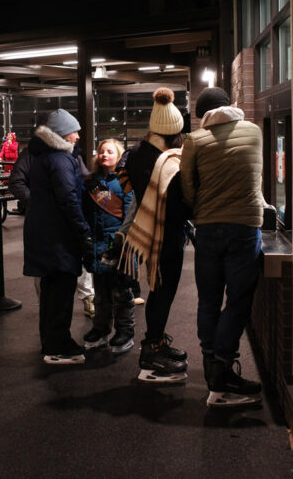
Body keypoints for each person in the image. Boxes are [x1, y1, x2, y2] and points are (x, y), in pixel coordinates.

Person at [180, 86, 265, 408]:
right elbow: (254, 177)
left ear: (202, 115)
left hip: (208, 228)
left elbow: (188, 189)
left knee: (209, 299)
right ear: (230, 105)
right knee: (239, 299)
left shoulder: (194, 141)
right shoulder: (253, 132)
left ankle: (212, 366)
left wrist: (204, 207)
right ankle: (222, 365)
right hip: (244, 226)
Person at [116, 88, 192, 383]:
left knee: (158, 290)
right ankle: (152, 352)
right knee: (163, 291)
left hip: (146, 230)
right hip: (166, 234)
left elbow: (130, 188)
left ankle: (156, 342)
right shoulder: (168, 159)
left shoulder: (136, 153)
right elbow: (176, 203)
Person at [23, 108, 93, 365]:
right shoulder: (61, 160)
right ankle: (58, 346)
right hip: (58, 237)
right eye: (74, 132)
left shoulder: (44, 156)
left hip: (45, 234)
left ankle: (50, 341)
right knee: (61, 292)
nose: (77, 136)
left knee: (50, 293)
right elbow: (69, 199)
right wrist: (83, 231)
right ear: (63, 134)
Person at [81, 139, 136, 355]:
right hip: (97, 244)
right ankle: (100, 328)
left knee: (121, 292)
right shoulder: (91, 182)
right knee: (100, 293)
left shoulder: (125, 181)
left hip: (117, 243)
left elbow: (130, 213)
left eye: (110, 152)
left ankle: (125, 331)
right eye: (102, 151)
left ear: (118, 155)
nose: (105, 155)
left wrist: (123, 240)